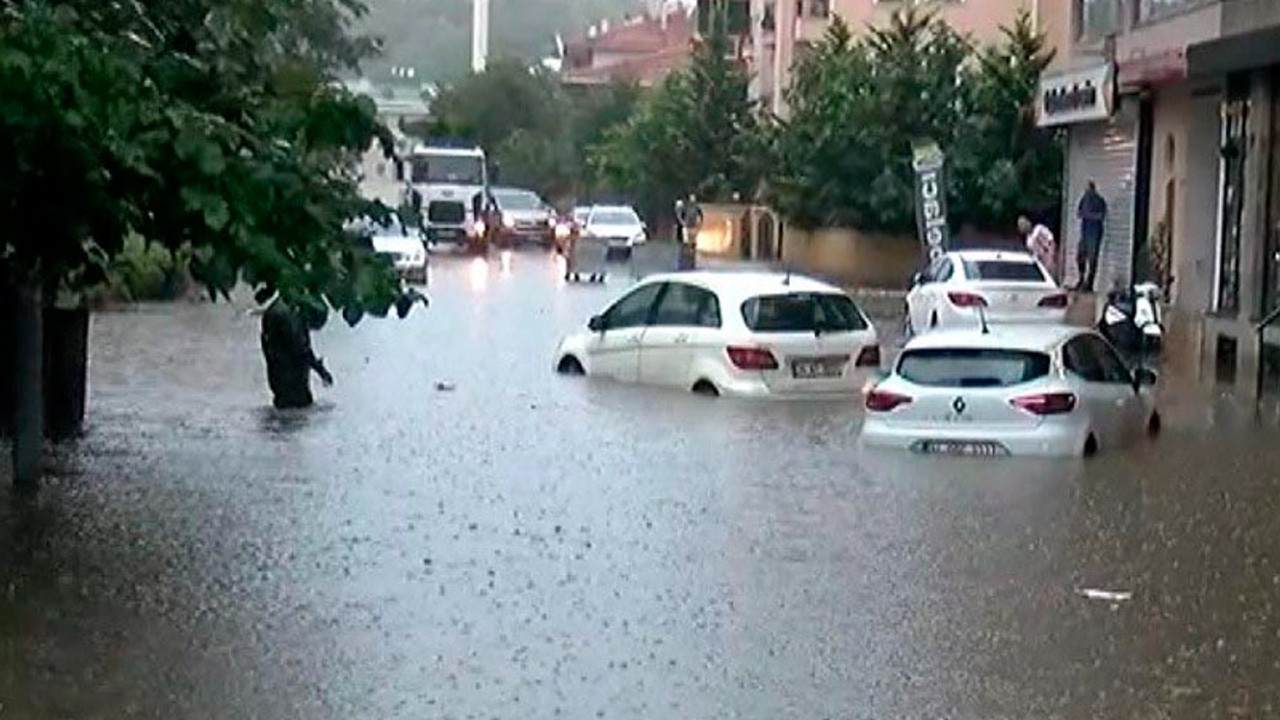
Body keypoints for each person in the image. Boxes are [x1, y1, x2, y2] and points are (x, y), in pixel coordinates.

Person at [260, 297, 333, 410]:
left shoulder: (286, 308)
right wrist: (321, 370)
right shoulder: (291, 315)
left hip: (277, 370)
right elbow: (301, 348)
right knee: (297, 408)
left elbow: (302, 346)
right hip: (290, 375)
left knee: (283, 405)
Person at [1076, 181, 1108, 292]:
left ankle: (1090, 282)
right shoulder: (1084, 200)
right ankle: (1081, 278)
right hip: (1084, 232)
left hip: (1095, 232)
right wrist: (1084, 214)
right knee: (1080, 256)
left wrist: (1089, 215)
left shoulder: (1099, 201)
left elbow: (1102, 216)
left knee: (1093, 258)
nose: (1087, 192)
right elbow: (1079, 213)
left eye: (1088, 189)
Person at [1018, 214, 1057, 279]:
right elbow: (1032, 253)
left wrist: (1051, 256)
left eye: (1024, 223)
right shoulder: (1028, 240)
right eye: (1021, 225)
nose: (1023, 227)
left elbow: (1051, 241)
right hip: (1039, 263)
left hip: (1048, 257)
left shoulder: (1039, 228)